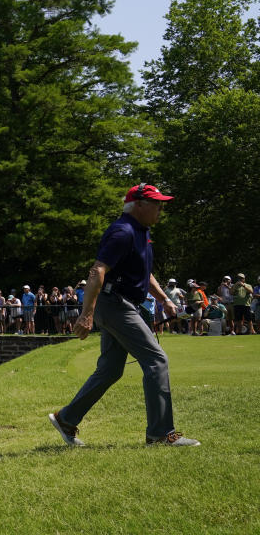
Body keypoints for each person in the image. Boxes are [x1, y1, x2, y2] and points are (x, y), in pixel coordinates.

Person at [49, 183, 199, 447]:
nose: (161, 209)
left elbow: (144, 273)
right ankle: (161, 433)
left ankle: (66, 418)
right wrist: (86, 314)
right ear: (138, 205)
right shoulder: (123, 231)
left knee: (110, 369)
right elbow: (97, 271)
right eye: (156, 203)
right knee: (156, 360)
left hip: (121, 303)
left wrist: (163, 299)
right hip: (114, 303)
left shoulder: (141, 233)